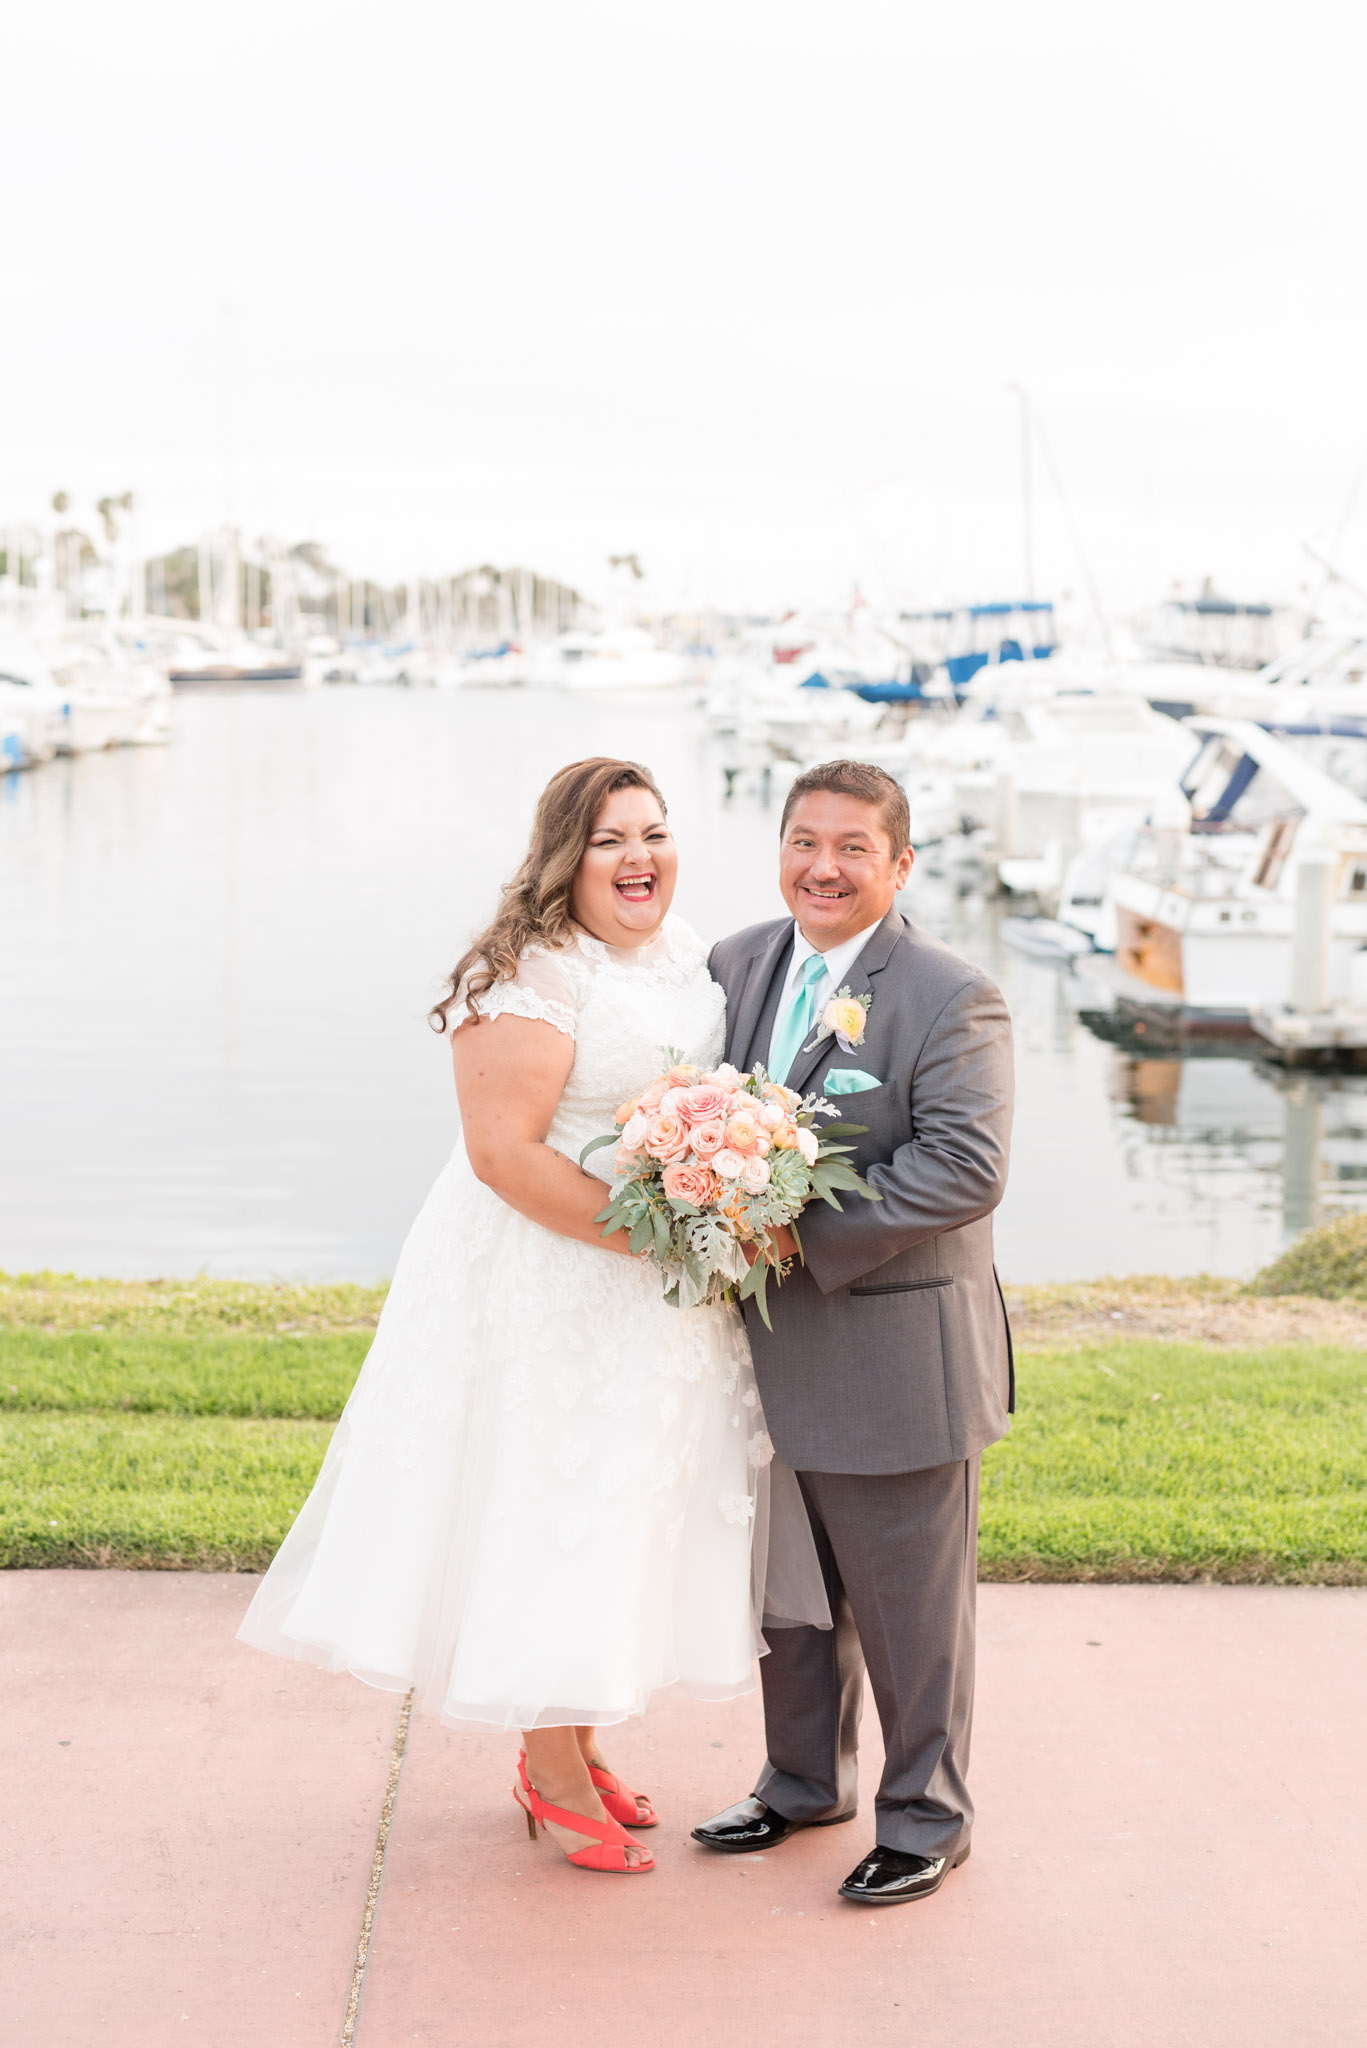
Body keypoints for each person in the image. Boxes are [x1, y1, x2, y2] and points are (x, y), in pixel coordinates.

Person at [239, 757, 774, 1877]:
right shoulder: (523, 973)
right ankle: (551, 1764)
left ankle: (575, 1732)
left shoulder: (683, 954)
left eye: (654, 833)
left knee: (623, 1501)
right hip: (555, 1283)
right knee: (554, 1496)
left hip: (655, 1295)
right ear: (560, 856)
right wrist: (667, 1236)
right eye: (608, 839)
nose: (639, 858)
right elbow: (500, 1155)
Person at [692, 758, 1014, 1906]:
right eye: (802, 841)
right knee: (789, 1592)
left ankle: (926, 1814)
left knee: (907, 1607)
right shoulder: (735, 959)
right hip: (760, 1353)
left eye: (851, 847)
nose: (821, 866)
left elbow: (962, 1167)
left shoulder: (946, 991)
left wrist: (796, 1233)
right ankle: (797, 1780)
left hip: (892, 1356)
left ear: (899, 863)